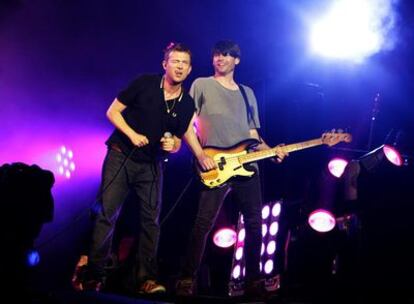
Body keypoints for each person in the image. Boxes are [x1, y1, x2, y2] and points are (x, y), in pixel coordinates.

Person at [176, 40, 287, 297]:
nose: (220, 59)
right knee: (203, 223)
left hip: (246, 165)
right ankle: (186, 279)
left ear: (237, 60)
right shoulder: (201, 84)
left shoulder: (247, 93)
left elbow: (253, 135)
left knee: (255, 223)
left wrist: (272, 152)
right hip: (215, 163)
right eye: (216, 54)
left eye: (226, 55)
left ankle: (253, 280)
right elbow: (186, 124)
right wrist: (200, 154)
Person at [83, 42, 195, 294]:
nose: (179, 66)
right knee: (107, 214)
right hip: (121, 156)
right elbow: (112, 112)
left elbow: (178, 141)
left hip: (152, 166)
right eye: (175, 61)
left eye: (184, 63)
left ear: (189, 70)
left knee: (151, 222)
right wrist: (132, 134)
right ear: (164, 64)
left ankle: (146, 279)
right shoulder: (144, 83)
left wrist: (173, 144)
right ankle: (94, 275)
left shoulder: (187, 104)